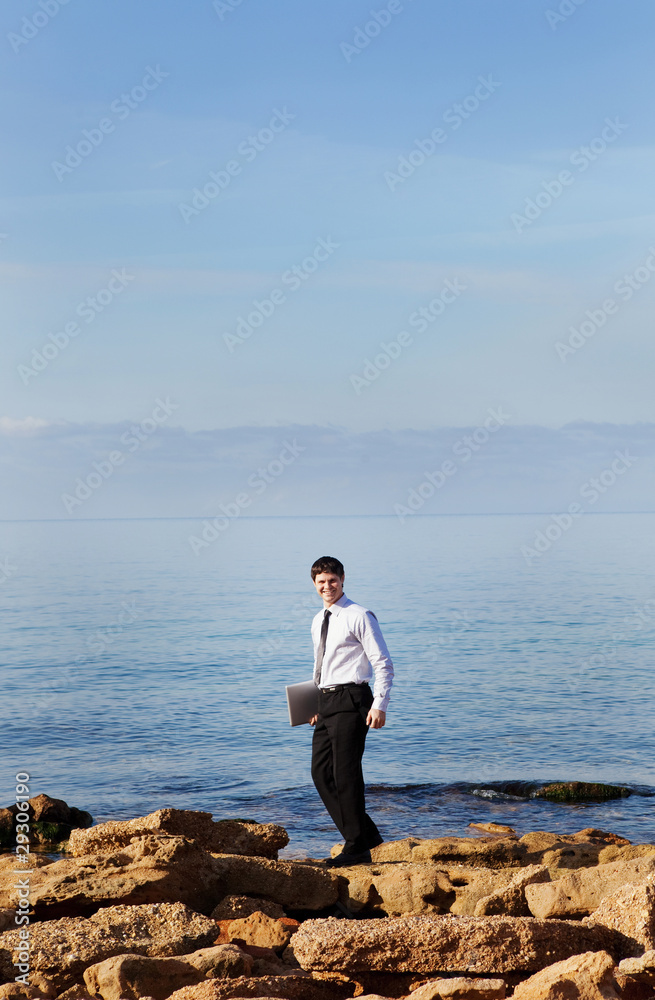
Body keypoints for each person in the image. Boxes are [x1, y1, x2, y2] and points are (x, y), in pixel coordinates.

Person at [309, 555, 394, 867]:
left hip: (353, 698)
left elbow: (382, 662)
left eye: (332, 580)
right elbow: (321, 666)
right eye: (321, 582)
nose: (327, 586)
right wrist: (312, 704)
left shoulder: (360, 615)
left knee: (345, 774)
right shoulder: (319, 619)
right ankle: (365, 836)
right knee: (321, 774)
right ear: (314, 585)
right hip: (325, 701)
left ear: (342, 579)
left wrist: (379, 705)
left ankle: (357, 847)